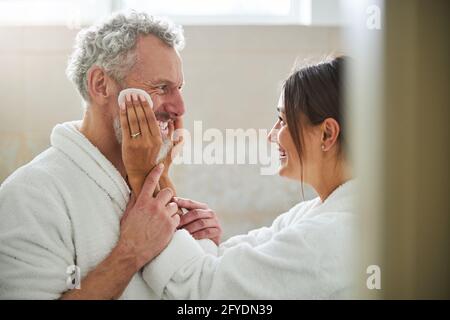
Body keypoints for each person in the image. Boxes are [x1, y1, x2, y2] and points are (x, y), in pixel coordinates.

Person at [0, 11, 221, 300]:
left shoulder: (146, 179)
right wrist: (129, 252)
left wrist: (203, 249)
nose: (180, 108)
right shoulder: (30, 195)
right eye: (161, 87)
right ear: (101, 85)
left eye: (179, 88)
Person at [125, 56, 356, 299]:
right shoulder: (310, 214)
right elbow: (222, 268)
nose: (271, 135)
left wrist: (143, 175)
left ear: (327, 134)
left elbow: (203, 292)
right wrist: (161, 175)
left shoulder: (332, 235)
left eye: (283, 121)